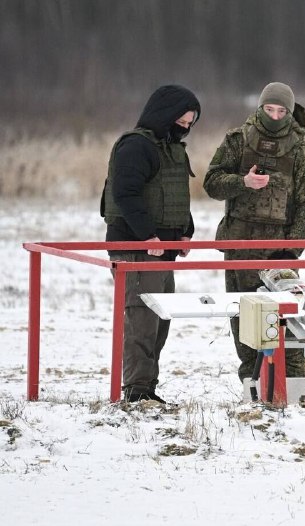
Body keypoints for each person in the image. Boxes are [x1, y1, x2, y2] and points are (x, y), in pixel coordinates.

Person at [203, 82, 305, 390]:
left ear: (290, 113)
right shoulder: (237, 140)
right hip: (239, 248)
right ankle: (252, 384)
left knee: (286, 321)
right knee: (243, 317)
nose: (275, 116)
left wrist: (291, 251)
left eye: (282, 111)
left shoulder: (302, 152)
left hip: (279, 252)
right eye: (269, 109)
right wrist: (243, 182)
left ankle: (291, 385)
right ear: (259, 107)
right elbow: (212, 183)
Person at [100, 84, 201, 403]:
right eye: (181, 121)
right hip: (137, 249)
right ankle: (136, 392)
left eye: (189, 124)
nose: (184, 128)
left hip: (162, 251)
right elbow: (125, 194)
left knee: (159, 323)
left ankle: (147, 388)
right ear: (165, 115)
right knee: (142, 321)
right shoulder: (136, 146)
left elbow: (176, 195)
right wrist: (147, 235)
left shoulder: (171, 149)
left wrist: (185, 232)